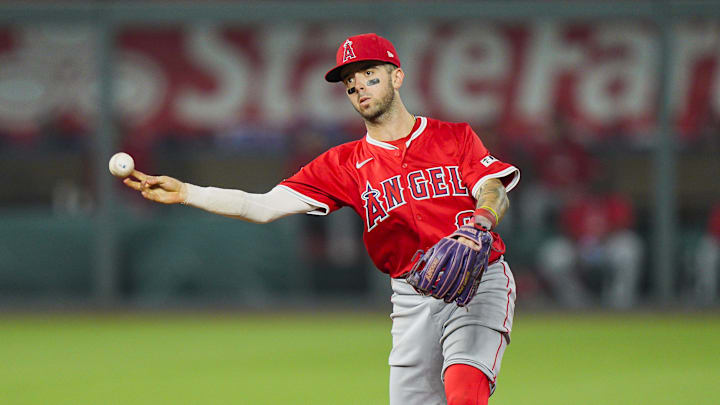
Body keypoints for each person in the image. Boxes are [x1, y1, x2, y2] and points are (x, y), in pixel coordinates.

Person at [123, 33, 520, 405]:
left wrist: (479, 223)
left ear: (396, 77)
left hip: (477, 280)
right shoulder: (343, 165)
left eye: (369, 74)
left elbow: (493, 188)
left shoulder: (453, 137)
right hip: (412, 297)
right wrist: (189, 193)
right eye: (350, 82)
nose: (359, 86)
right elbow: (262, 206)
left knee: (465, 391)